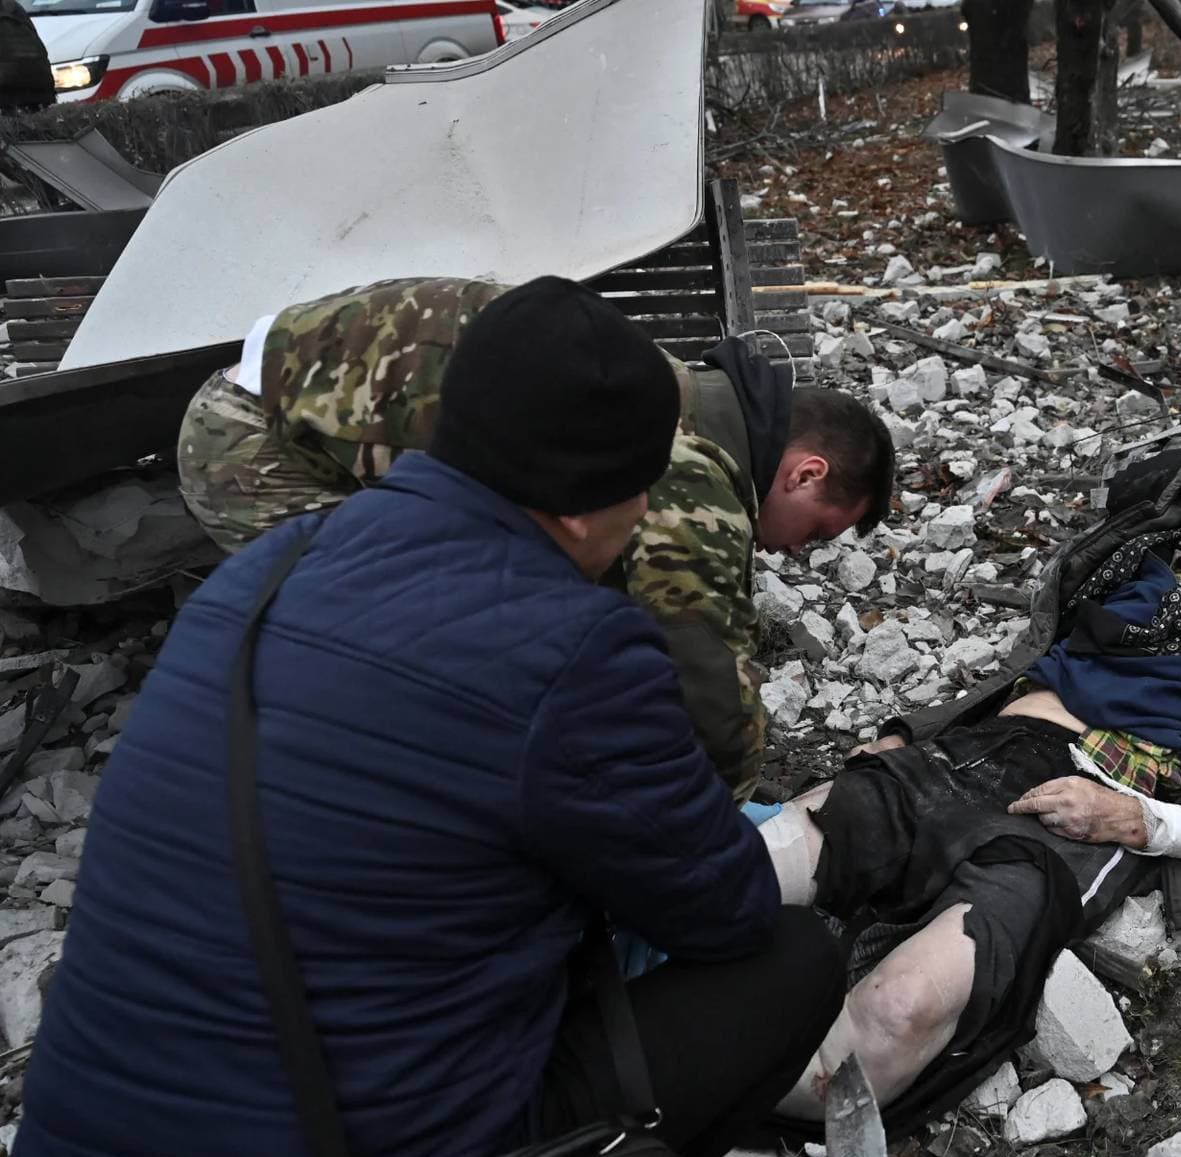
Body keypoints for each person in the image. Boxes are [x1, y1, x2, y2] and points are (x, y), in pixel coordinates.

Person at [5, 278, 846, 1157]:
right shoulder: (576, 649)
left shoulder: (258, 570)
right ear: (593, 507)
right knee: (793, 960)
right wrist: (836, 831)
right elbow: (727, 909)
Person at [748, 412, 1181, 1126]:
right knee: (761, 860)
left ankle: (711, 1104)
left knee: (899, 1009)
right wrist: (907, 733)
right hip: (986, 747)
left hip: (1089, 804)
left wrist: (1144, 821)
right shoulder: (1140, 553)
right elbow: (1020, 666)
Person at [175, 275, 895, 798]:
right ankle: (298, 789)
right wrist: (725, 817)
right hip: (256, 440)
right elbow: (703, 674)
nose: (795, 553)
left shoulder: (677, 397)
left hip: (290, 396)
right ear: (804, 473)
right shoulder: (694, 466)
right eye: (819, 533)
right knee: (389, 659)